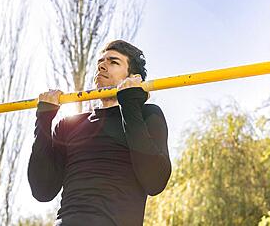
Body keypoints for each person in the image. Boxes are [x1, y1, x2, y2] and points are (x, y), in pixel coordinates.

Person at [28, 40, 172, 226]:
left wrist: (130, 103)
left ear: (133, 77)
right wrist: (44, 119)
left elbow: (155, 181)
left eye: (113, 62)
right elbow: (42, 190)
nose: (102, 66)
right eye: (100, 62)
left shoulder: (147, 115)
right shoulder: (69, 125)